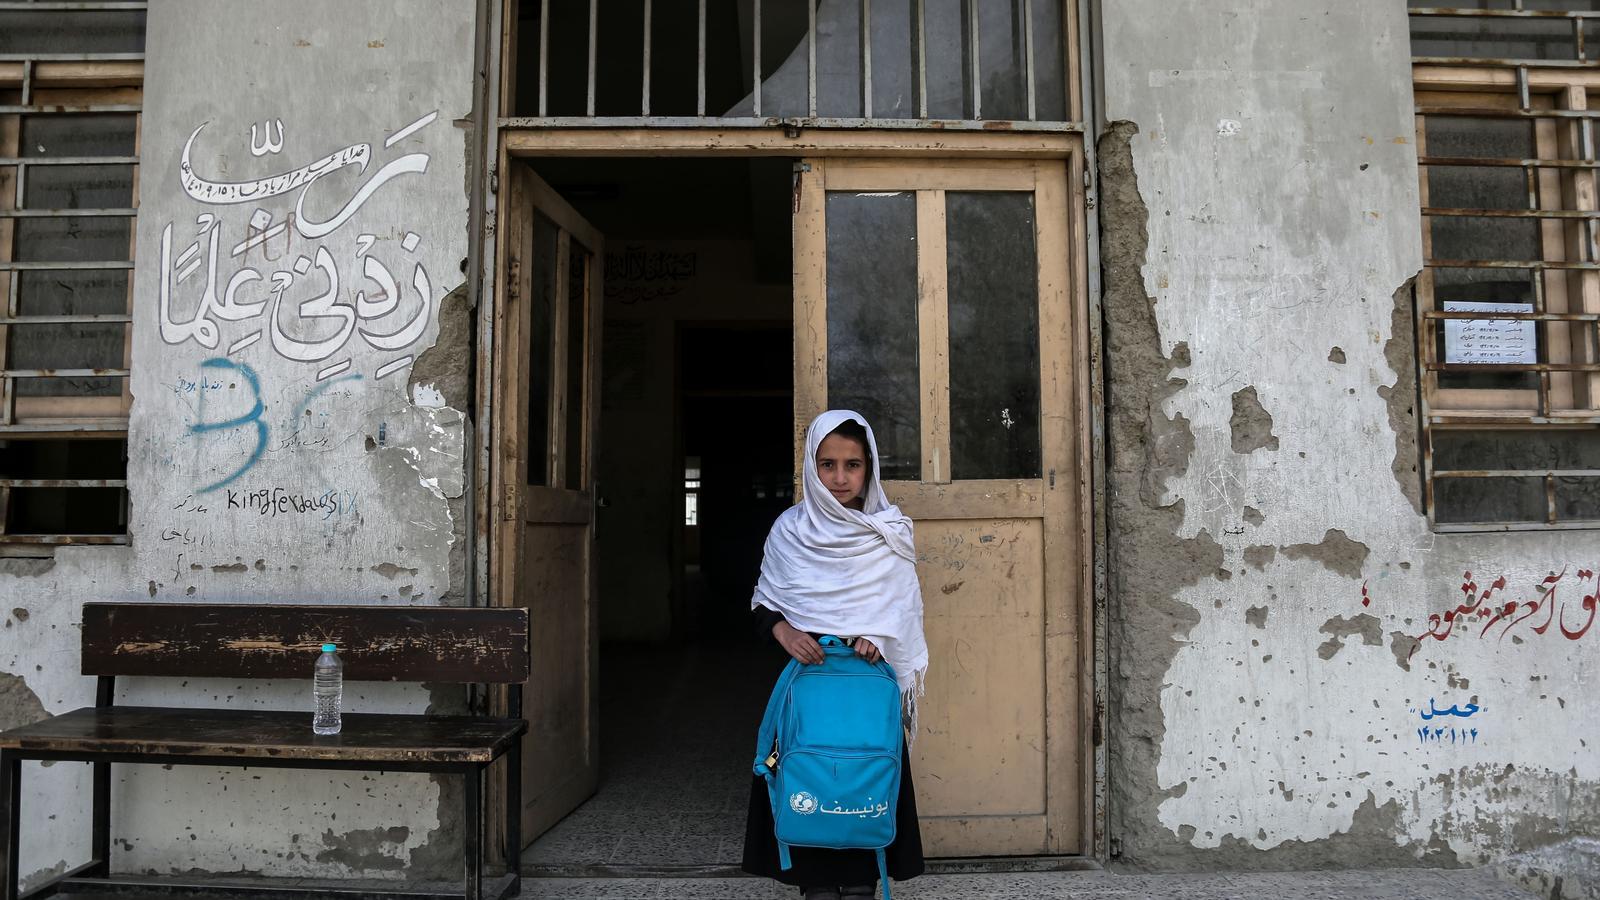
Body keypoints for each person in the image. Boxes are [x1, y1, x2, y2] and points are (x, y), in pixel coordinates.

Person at [742, 410, 928, 900]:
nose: (840, 477)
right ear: (810, 467)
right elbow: (765, 602)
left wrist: (880, 636)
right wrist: (782, 630)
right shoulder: (790, 530)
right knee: (810, 772)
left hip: (867, 692)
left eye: (853, 464)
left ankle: (865, 882)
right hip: (809, 688)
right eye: (827, 465)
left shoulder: (887, 532)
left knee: (866, 772)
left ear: (870, 468)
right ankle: (816, 887)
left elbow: (902, 608)